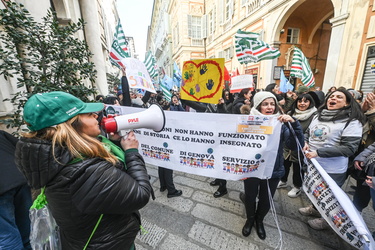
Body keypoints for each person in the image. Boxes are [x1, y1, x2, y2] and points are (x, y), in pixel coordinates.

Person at [15, 91, 152, 249]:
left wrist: (113, 143)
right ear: (70, 125)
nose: (95, 115)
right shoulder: (84, 171)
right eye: (87, 114)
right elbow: (140, 194)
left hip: (89, 238)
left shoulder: (53, 157)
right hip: (108, 244)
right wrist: (131, 152)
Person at [241, 91, 304, 239]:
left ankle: (259, 220)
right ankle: (250, 219)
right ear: (258, 106)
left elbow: (295, 145)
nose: (269, 107)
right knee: (250, 196)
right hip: (252, 168)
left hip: (273, 169)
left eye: (272, 104)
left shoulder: (281, 123)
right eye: (265, 104)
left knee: (266, 198)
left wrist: (294, 125)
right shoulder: (247, 121)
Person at [300, 89, 365, 230]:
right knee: (315, 192)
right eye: (331, 96)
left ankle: (326, 220)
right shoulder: (318, 115)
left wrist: (319, 152)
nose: (333, 98)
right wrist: (305, 142)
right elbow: (307, 133)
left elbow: (349, 148)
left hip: (332, 169)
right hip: (313, 165)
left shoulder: (352, 122)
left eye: (339, 97)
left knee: (330, 197)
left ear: (347, 103)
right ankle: (314, 208)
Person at [278, 93, 317, 198]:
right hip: (288, 145)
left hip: (302, 146)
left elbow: (311, 131)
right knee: (285, 164)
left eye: (305, 101)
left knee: (298, 167)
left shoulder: (314, 116)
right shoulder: (291, 113)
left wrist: (305, 140)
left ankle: (297, 187)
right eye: (300, 101)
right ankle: (283, 180)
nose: (302, 104)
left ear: (310, 103)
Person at [0, 130, 32, 250]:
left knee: (6, 237)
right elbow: (20, 147)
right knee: (27, 231)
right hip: (19, 180)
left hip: (4, 188)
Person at [210, 89, 234, 198]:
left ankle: (223, 187)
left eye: (228, 95)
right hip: (216, 137)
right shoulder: (215, 104)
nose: (226, 97)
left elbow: (227, 118)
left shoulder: (233, 105)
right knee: (216, 160)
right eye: (225, 95)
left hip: (226, 140)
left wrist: (222, 106)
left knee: (222, 162)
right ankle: (218, 179)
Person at [158, 95, 183, 198]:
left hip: (160, 145)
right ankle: (171, 190)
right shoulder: (169, 118)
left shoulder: (158, 118)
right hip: (168, 145)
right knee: (168, 167)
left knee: (161, 164)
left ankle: (163, 185)